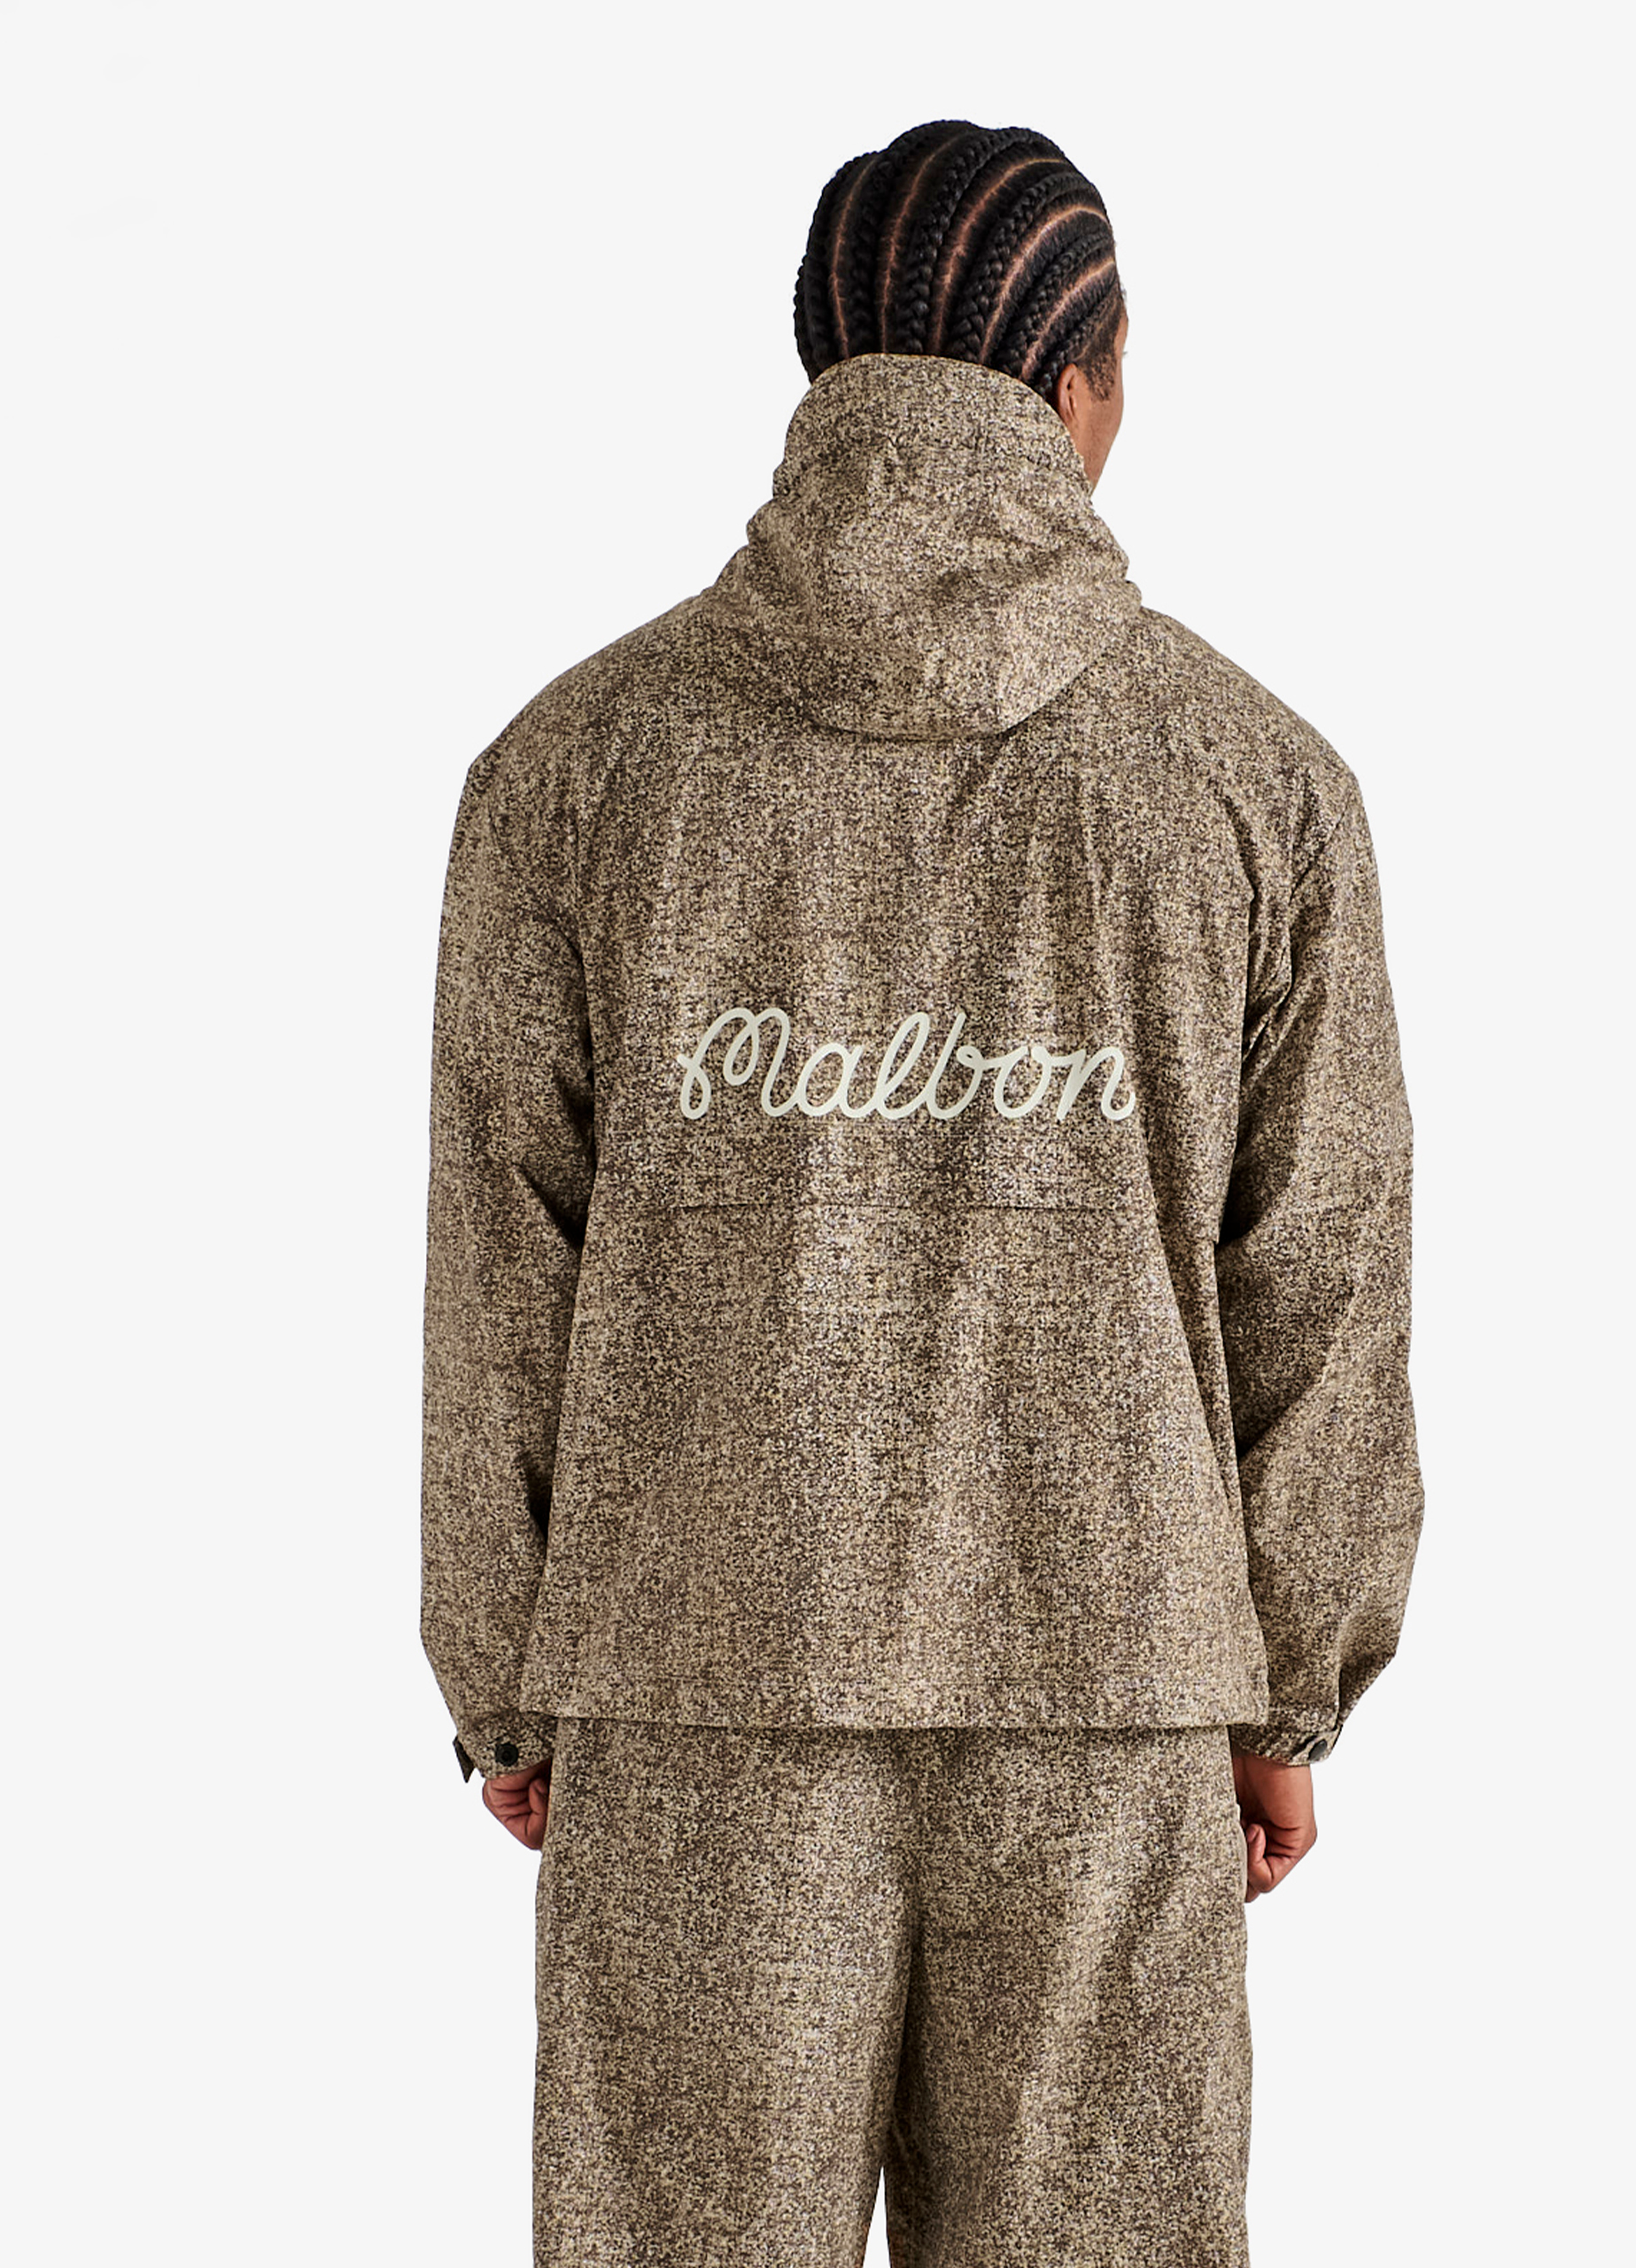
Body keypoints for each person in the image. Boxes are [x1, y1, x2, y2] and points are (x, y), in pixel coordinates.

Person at [422, 117, 1423, 2268]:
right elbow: (1322, 1268)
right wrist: (1285, 1686)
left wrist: (504, 1671)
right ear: (1074, 384)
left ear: (827, 371)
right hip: (1116, 1688)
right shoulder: (1251, 781)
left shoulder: (576, 767)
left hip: (688, 1683)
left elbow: (501, 1253)